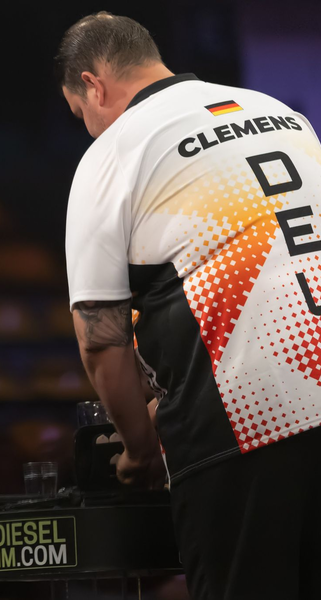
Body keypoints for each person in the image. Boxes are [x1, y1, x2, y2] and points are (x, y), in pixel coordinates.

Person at [57, 12, 321, 600]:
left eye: (83, 116)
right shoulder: (283, 113)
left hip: (247, 418)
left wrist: (140, 448)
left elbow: (99, 337)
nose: (90, 130)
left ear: (94, 85)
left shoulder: (114, 151)